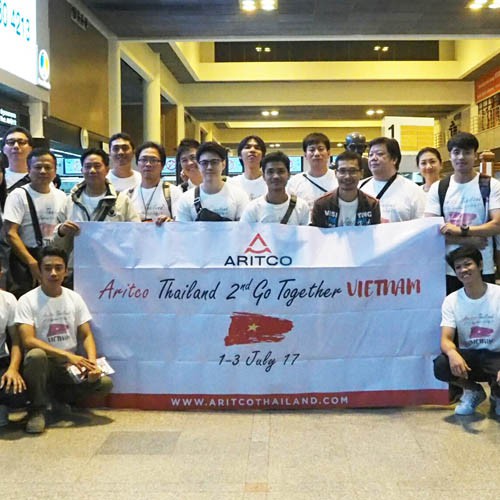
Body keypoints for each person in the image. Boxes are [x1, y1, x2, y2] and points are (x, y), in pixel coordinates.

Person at [16, 246, 113, 434]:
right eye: (48, 268)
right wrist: (67, 355)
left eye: (58, 268)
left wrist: (91, 363)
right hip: (43, 365)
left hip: (70, 367)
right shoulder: (27, 300)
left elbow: (86, 334)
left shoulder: (74, 298)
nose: (53, 273)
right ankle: (37, 410)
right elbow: (28, 340)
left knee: (104, 384)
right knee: (36, 355)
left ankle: (58, 402)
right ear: (40, 271)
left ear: (66, 271)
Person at [424, 132, 500, 294]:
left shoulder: (491, 185)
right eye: (456, 152)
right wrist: (469, 240)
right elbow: (431, 231)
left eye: (467, 152)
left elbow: (497, 225)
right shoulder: (439, 188)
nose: (461, 157)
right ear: (450, 156)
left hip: (482, 266)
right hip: (449, 269)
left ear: (475, 156)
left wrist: (461, 230)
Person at [53, 148, 140, 282]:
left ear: (107, 169)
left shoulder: (122, 201)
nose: (92, 170)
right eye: (87, 166)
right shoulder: (69, 202)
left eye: (97, 166)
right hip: (77, 272)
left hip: (114, 272)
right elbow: (57, 245)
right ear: (82, 170)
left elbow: (136, 234)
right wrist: (61, 231)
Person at [433, 246, 500, 416]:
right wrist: (452, 353)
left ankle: (497, 395)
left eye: (468, 264)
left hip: (496, 356)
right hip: (470, 357)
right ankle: (473, 391)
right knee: (441, 364)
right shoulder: (451, 300)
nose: (463, 270)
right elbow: (446, 339)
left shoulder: (498, 294)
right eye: (458, 267)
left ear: (480, 265)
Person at [3, 148, 66, 297]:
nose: (43, 171)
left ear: (55, 171)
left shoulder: (62, 197)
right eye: (38, 167)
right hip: (25, 262)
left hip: (54, 261)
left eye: (48, 167)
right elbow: (10, 233)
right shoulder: (18, 195)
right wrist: (31, 262)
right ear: (29, 170)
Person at [176, 141, 249, 221]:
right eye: (204, 163)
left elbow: (245, 227)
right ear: (199, 165)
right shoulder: (186, 199)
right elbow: (182, 228)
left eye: (214, 162)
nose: (209, 167)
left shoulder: (239, 195)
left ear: (223, 164)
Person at [359, 137, 426, 223]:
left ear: (394, 159)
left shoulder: (414, 191)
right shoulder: (359, 187)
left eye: (380, 154)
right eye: (371, 155)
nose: (373, 158)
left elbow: (423, 224)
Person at [311, 151, 381, 227]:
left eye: (353, 171)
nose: (347, 176)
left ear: (361, 173)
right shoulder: (321, 204)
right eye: (342, 171)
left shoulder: (372, 205)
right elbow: (315, 233)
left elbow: (375, 233)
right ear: (336, 173)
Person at [240, 151, 309, 225]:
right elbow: (243, 232)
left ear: (289, 175)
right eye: (270, 172)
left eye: (281, 171)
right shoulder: (253, 208)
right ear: (264, 176)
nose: (275, 176)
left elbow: (307, 232)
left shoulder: (301, 207)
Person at [0, 259, 26, 426]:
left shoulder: (8, 300)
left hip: (1, 360)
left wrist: (13, 369)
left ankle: (2, 405)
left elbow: (17, 341)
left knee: (16, 393)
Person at [128, 141, 181, 223]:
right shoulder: (128, 194)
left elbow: (180, 224)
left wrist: (170, 222)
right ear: (137, 164)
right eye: (144, 160)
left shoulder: (173, 192)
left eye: (153, 160)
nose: (148, 164)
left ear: (162, 165)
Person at [287, 132, 338, 210]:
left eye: (321, 149)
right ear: (305, 155)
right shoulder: (294, 182)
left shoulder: (338, 178)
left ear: (328, 153)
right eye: (312, 150)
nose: (317, 153)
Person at [228, 135, 267, 201]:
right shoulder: (231, 183)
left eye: (257, 148)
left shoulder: (270, 182)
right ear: (240, 155)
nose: (252, 150)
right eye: (247, 147)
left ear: (263, 156)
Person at [2, 126, 33, 191]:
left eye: (21, 142)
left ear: (30, 149)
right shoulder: (1, 176)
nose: (16, 146)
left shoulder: (39, 178)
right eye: (11, 142)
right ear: (4, 149)